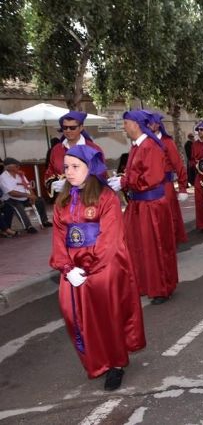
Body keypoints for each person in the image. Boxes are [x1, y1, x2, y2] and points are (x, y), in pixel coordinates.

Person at [50, 145, 145, 391]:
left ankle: (115, 364)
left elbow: (110, 239)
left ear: (89, 168)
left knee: (107, 317)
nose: (68, 172)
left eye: (75, 167)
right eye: (66, 167)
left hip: (103, 269)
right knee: (75, 317)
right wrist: (66, 267)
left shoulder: (106, 198)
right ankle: (96, 361)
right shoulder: (63, 201)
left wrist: (88, 266)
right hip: (72, 271)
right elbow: (59, 237)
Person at [107, 111, 178, 305]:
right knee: (138, 246)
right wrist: (124, 179)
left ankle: (161, 288)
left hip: (151, 205)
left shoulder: (151, 146)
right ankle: (144, 284)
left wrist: (124, 181)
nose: (124, 127)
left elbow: (151, 178)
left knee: (155, 247)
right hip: (139, 204)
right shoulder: (137, 146)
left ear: (136, 124)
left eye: (126, 123)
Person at [146, 111, 188, 244]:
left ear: (158, 125)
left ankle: (170, 244)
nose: (149, 125)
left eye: (152, 123)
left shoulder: (167, 142)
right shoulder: (145, 142)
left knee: (169, 216)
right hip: (150, 188)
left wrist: (182, 188)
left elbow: (178, 165)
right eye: (147, 123)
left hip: (166, 187)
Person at [45, 111, 103, 198]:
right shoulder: (56, 150)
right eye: (65, 127)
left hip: (88, 199)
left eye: (72, 127)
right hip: (63, 199)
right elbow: (49, 172)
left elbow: (101, 175)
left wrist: (73, 183)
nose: (68, 130)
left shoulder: (93, 149)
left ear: (81, 128)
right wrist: (54, 184)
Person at [0, 157, 52, 233]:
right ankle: (28, 226)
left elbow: (27, 186)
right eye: (16, 166)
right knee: (18, 206)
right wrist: (27, 195)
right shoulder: (3, 177)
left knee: (39, 200)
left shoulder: (20, 175)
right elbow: (11, 193)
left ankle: (44, 221)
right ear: (9, 167)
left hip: (25, 197)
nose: (19, 167)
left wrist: (32, 195)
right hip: (11, 199)